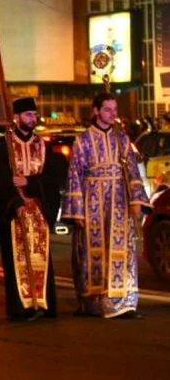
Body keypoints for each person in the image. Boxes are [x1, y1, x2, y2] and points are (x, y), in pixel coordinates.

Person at [62, 92, 151, 319]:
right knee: (92, 251)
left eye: (114, 109)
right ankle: (92, 303)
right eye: (108, 109)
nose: (113, 114)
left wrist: (137, 201)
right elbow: (74, 177)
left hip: (119, 200)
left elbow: (132, 171)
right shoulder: (82, 141)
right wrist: (77, 211)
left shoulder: (122, 140)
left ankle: (123, 302)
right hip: (92, 200)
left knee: (120, 249)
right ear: (96, 111)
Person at [0, 97, 59, 321]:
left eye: (34, 114)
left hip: (38, 210)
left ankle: (42, 302)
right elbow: (0, 179)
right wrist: (15, 201)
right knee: (16, 260)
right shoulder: (4, 145)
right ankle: (22, 306)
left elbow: (50, 179)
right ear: (16, 117)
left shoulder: (42, 144)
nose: (33, 119)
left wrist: (29, 183)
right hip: (16, 213)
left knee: (41, 257)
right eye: (28, 115)